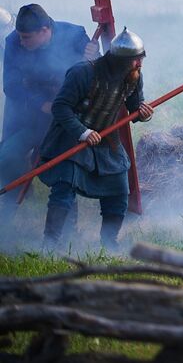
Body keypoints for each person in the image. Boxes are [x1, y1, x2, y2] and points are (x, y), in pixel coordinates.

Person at [37, 28, 153, 250]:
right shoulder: (82, 73)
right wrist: (83, 132)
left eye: (140, 59)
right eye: (136, 60)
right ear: (119, 61)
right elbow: (61, 108)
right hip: (71, 138)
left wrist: (142, 113)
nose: (140, 65)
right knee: (64, 188)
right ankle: (50, 244)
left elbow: (134, 106)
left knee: (119, 189)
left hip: (106, 140)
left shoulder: (134, 76)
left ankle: (109, 244)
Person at [1, 4, 96, 221]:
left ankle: (67, 227)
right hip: (29, 119)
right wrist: (41, 104)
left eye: (27, 38)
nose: (22, 43)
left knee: (63, 168)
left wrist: (94, 56)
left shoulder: (76, 35)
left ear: (45, 31)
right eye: (21, 37)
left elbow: (94, 75)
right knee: (7, 156)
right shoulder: (13, 42)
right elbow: (11, 85)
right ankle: (12, 203)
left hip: (64, 122)